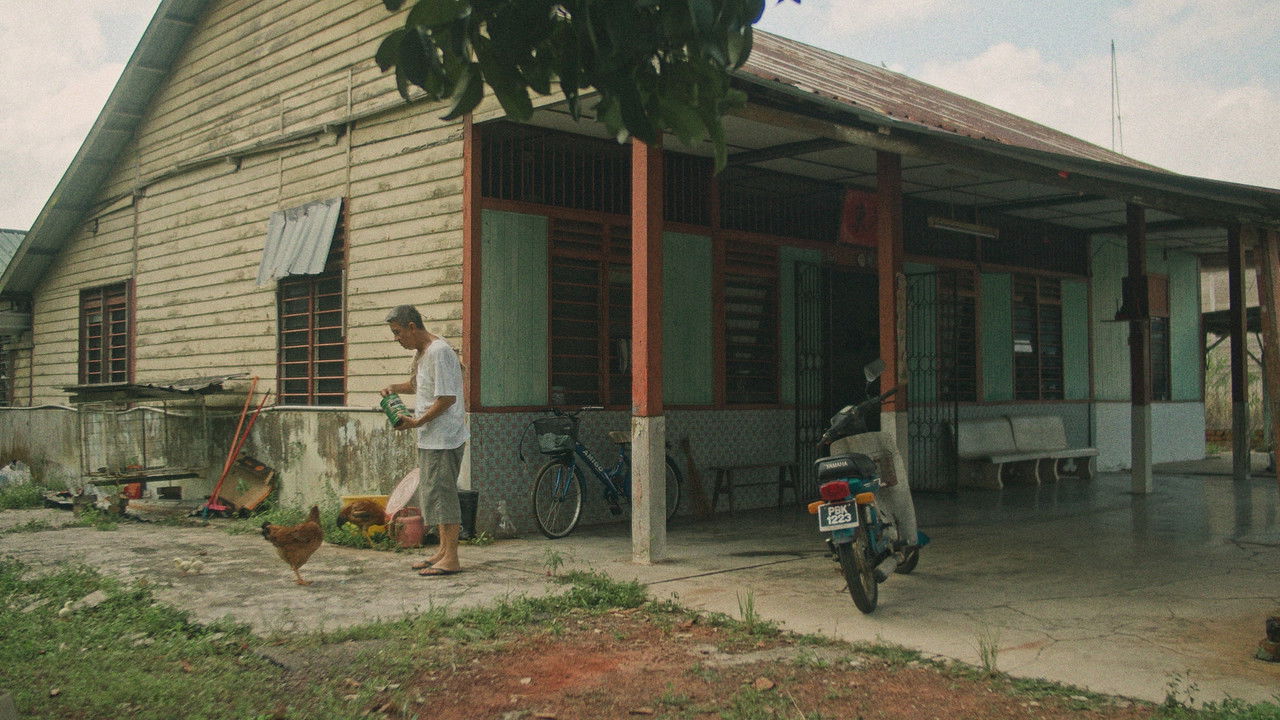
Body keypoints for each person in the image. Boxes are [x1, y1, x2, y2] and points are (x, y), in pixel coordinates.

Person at [381, 305, 469, 577]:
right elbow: (421, 386)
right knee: (432, 494)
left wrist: (417, 422)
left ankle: (452, 557)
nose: (397, 339)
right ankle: (443, 551)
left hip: (444, 437)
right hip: (431, 437)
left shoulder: (439, 352)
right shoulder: (423, 354)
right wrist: (394, 388)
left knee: (443, 494)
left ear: (411, 326)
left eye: (398, 332)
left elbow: (447, 398)